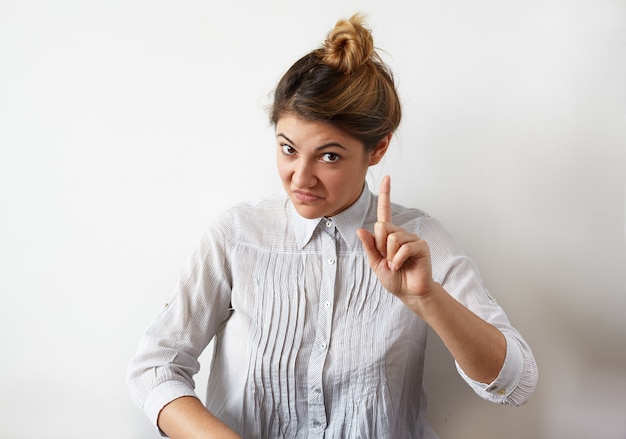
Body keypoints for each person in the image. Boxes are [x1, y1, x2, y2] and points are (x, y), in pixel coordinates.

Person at [127, 13, 538, 439]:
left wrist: (429, 299)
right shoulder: (236, 236)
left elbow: (516, 383)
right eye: (288, 149)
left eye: (329, 156)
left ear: (376, 149)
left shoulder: (420, 242)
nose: (300, 178)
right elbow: (154, 367)